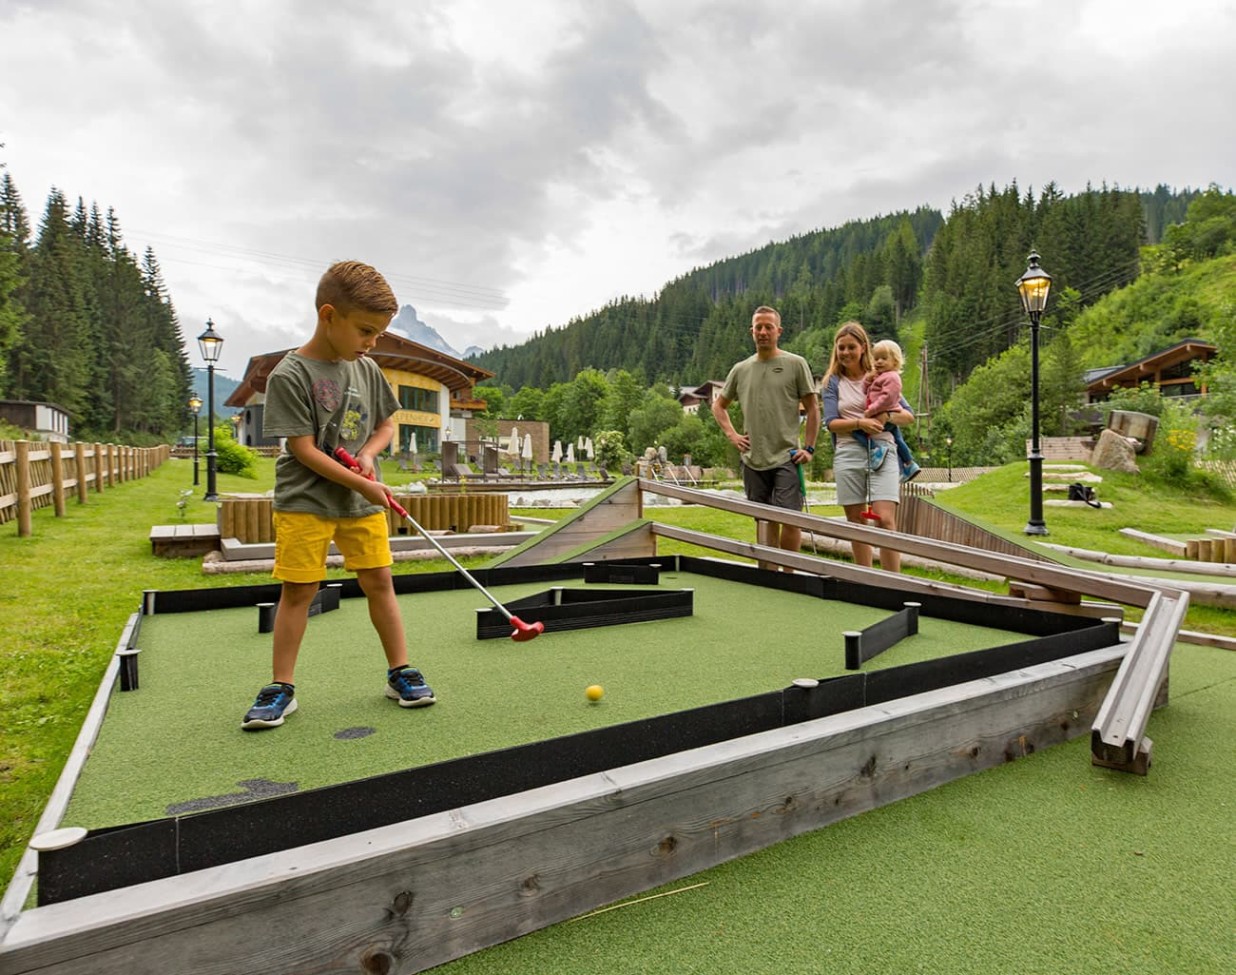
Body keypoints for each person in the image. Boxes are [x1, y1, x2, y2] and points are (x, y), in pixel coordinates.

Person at [241, 260, 435, 730]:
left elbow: (388, 423)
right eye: (365, 330)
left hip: (359, 501)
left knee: (379, 582)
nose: (371, 342)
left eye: (378, 334)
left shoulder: (367, 369)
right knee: (299, 590)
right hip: (305, 499)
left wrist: (368, 455)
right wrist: (364, 482)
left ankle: (400, 671)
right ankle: (281, 687)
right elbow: (303, 449)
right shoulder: (290, 374)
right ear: (329, 316)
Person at [711, 306, 820, 568]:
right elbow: (718, 405)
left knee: (790, 519)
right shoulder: (741, 369)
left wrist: (810, 448)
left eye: (768, 327)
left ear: (778, 331)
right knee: (764, 519)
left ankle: (788, 573)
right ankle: (768, 574)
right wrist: (732, 435)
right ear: (751, 331)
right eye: (758, 327)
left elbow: (814, 407)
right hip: (752, 460)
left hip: (786, 457)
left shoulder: (795, 364)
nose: (762, 332)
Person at [821, 321, 915, 572]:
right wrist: (860, 422)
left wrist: (886, 418)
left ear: (863, 348)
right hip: (848, 452)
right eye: (841, 348)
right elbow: (830, 423)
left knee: (885, 520)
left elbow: (908, 415)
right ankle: (865, 580)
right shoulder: (832, 382)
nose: (846, 353)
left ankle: (892, 583)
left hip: (883, 451)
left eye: (851, 347)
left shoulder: (881, 378)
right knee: (856, 521)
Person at [852, 339, 921, 483]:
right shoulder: (879, 376)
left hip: (883, 412)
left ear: (895, 362)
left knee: (856, 430)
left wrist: (873, 410)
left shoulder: (892, 377)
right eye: (876, 359)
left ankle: (876, 450)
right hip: (884, 412)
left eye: (884, 359)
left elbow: (888, 397)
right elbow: (866, 390)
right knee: (898, 438)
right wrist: (868, 380)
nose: (879, 362)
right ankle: (909, 464)